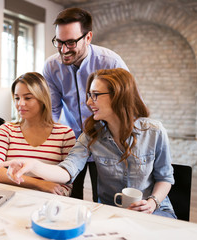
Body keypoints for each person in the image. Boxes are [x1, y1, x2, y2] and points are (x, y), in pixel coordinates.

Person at [0, 68, 176, 218]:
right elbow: (67, 170)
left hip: (155, 211)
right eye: (89, 95)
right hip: (112, 213)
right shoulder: (91, 134)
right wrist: (34, 165)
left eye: (95, 95)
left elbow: (165, 178)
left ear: (118, 95)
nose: (88, 102)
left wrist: (152, 202)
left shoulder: (154, 131)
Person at [43, 7, 129, 201]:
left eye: (71, 42)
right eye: (59, 42)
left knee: (108, 198)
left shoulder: (111, 61)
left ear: (88, 37)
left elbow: (128, 106)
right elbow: (52, 110)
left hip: (108, 143)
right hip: (71, 143)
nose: (64, 50)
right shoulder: (50, 66)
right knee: (69, 197)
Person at [0, 72, 76, 196]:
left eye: (28, 98)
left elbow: (67, 183)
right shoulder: (6, 130)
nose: (20, 104)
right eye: (17, 98)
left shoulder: (64, 134)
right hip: (10, 200)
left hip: (47, 205)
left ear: (42, 99)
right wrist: (39, 184)